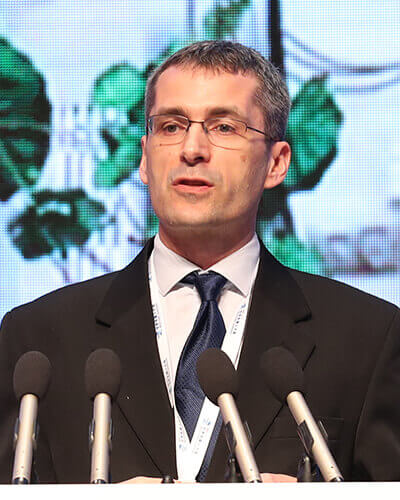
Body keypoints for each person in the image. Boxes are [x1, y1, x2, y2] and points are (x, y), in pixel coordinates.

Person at [0, 40, 400, 484]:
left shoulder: (367, 339)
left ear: (277, 162)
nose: (192, 149)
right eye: (171, 126)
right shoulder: (37, 340)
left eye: (224, 127)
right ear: (144, 158)